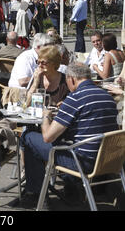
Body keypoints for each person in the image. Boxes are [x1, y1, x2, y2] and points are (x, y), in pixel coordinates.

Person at [19, 62, 118, 208]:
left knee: (28, 137)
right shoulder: (107, 96)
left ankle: (35, 194)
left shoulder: (75, 98)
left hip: (81, 162)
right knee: (61, 140)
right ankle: (71, 188)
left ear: (71, 79)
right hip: (108, 160)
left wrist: (46, 116)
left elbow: (47, 137)